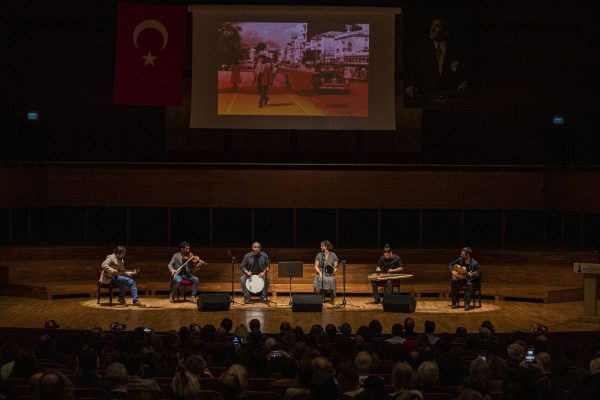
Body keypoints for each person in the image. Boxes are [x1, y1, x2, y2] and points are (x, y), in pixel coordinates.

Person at [404, 18, 469, 100]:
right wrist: (410, 85)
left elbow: (463, 75)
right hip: (425, 98)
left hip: (450, 99)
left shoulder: (456, 51)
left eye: (437, 26)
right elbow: (412, 71)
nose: (432, 29)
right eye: (432, 26)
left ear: (446, 31)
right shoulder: (420, 51)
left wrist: (464, 83)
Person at [448, 246, 480, 311]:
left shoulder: (475, 263)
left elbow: (478, 274)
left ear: (467, 254)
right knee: (454, 281)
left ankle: (467, 304)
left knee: (469, 284)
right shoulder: (460, 259)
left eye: (463, 254)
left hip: (471, 280)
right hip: (462, 279)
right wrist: (452, 271)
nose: (461, 255)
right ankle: (455, 303)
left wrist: (472, 274)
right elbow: (450, 264)